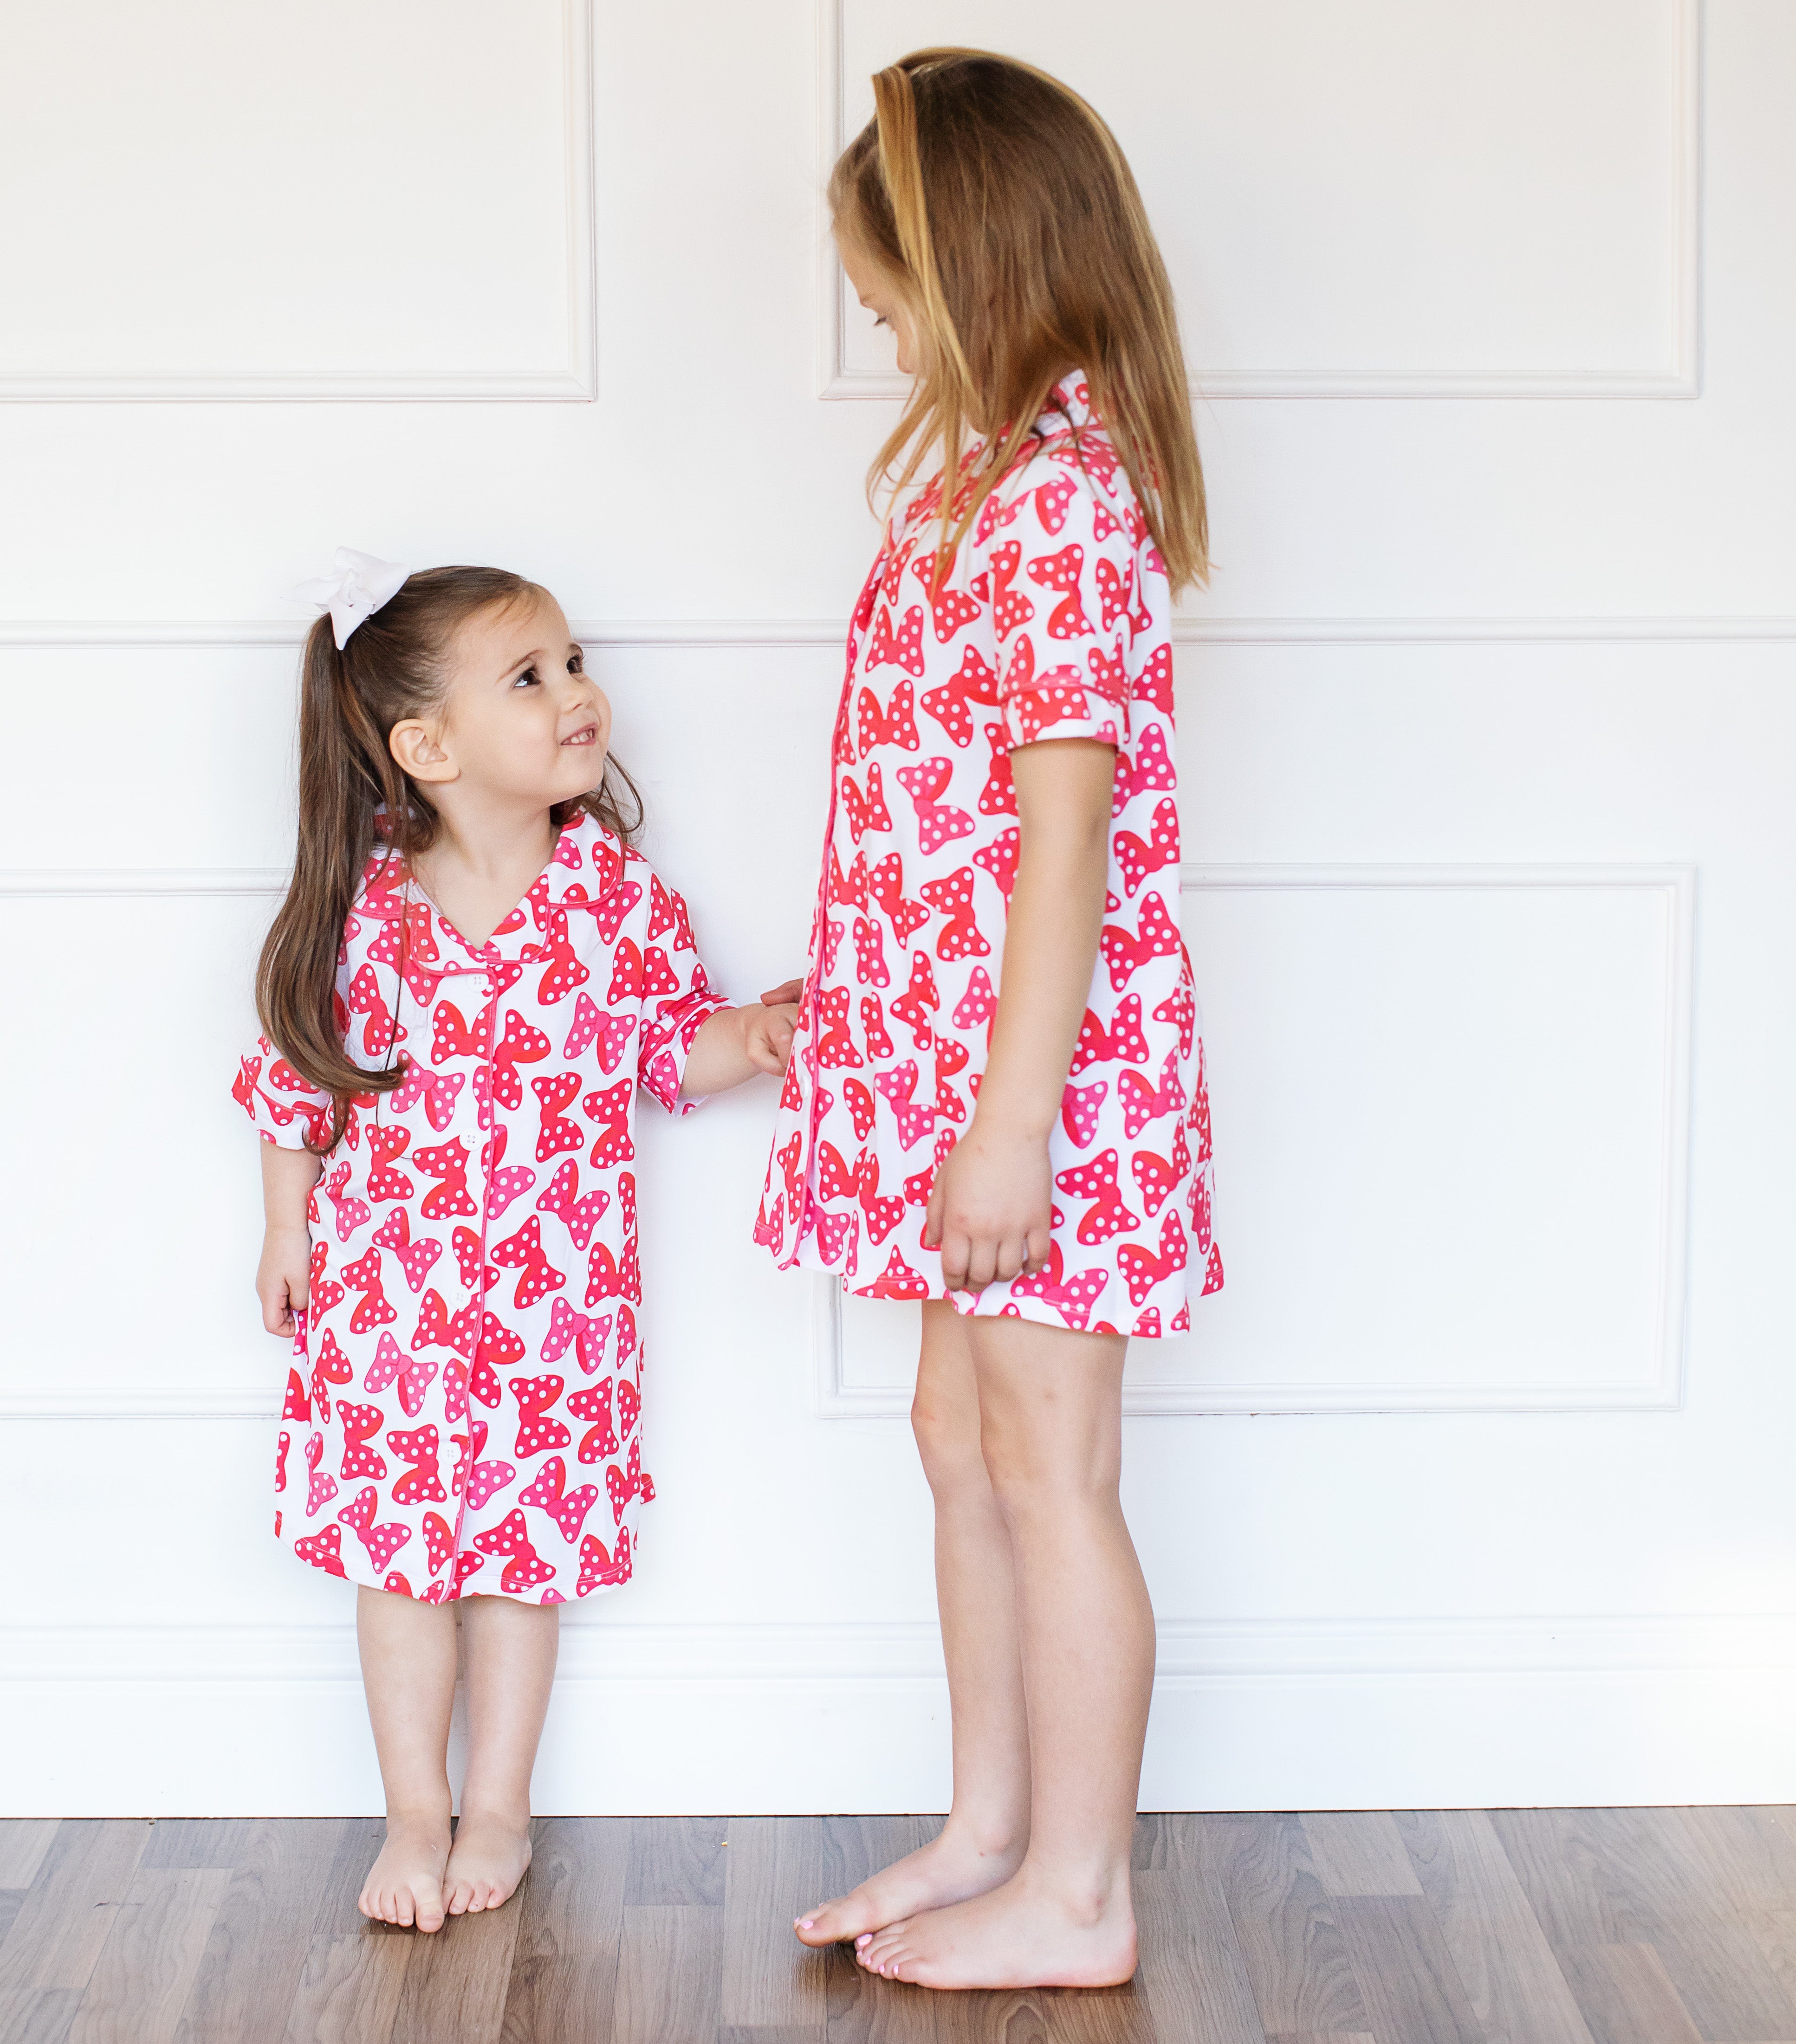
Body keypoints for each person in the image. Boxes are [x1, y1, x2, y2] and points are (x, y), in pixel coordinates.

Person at [762, 50, 1222, 1990]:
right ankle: (993, 1825)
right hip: (941, 1069)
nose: (874, 325)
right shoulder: (980, 481)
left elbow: (1062, 841)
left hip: (1041, 1088)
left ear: (978, 267)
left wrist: (1014, 1120)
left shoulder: (1055, 507)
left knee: (1051, 1468)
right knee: (961, 1443)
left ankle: (1084, 1896)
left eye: (887, 292)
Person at [237, 551, 795, 1933]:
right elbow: (292, 1085)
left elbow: (675, 1046)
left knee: (516, 1567)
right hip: (390, 1308)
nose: (577, 694)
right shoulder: (365, 910)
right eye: (532, 676)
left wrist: (767, 1034)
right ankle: (411, 1810)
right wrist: (284, 1230)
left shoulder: (613, 900)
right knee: (398, 1561)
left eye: (575, 661)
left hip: (556, 1314)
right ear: (425, 747)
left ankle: (497, 1804)